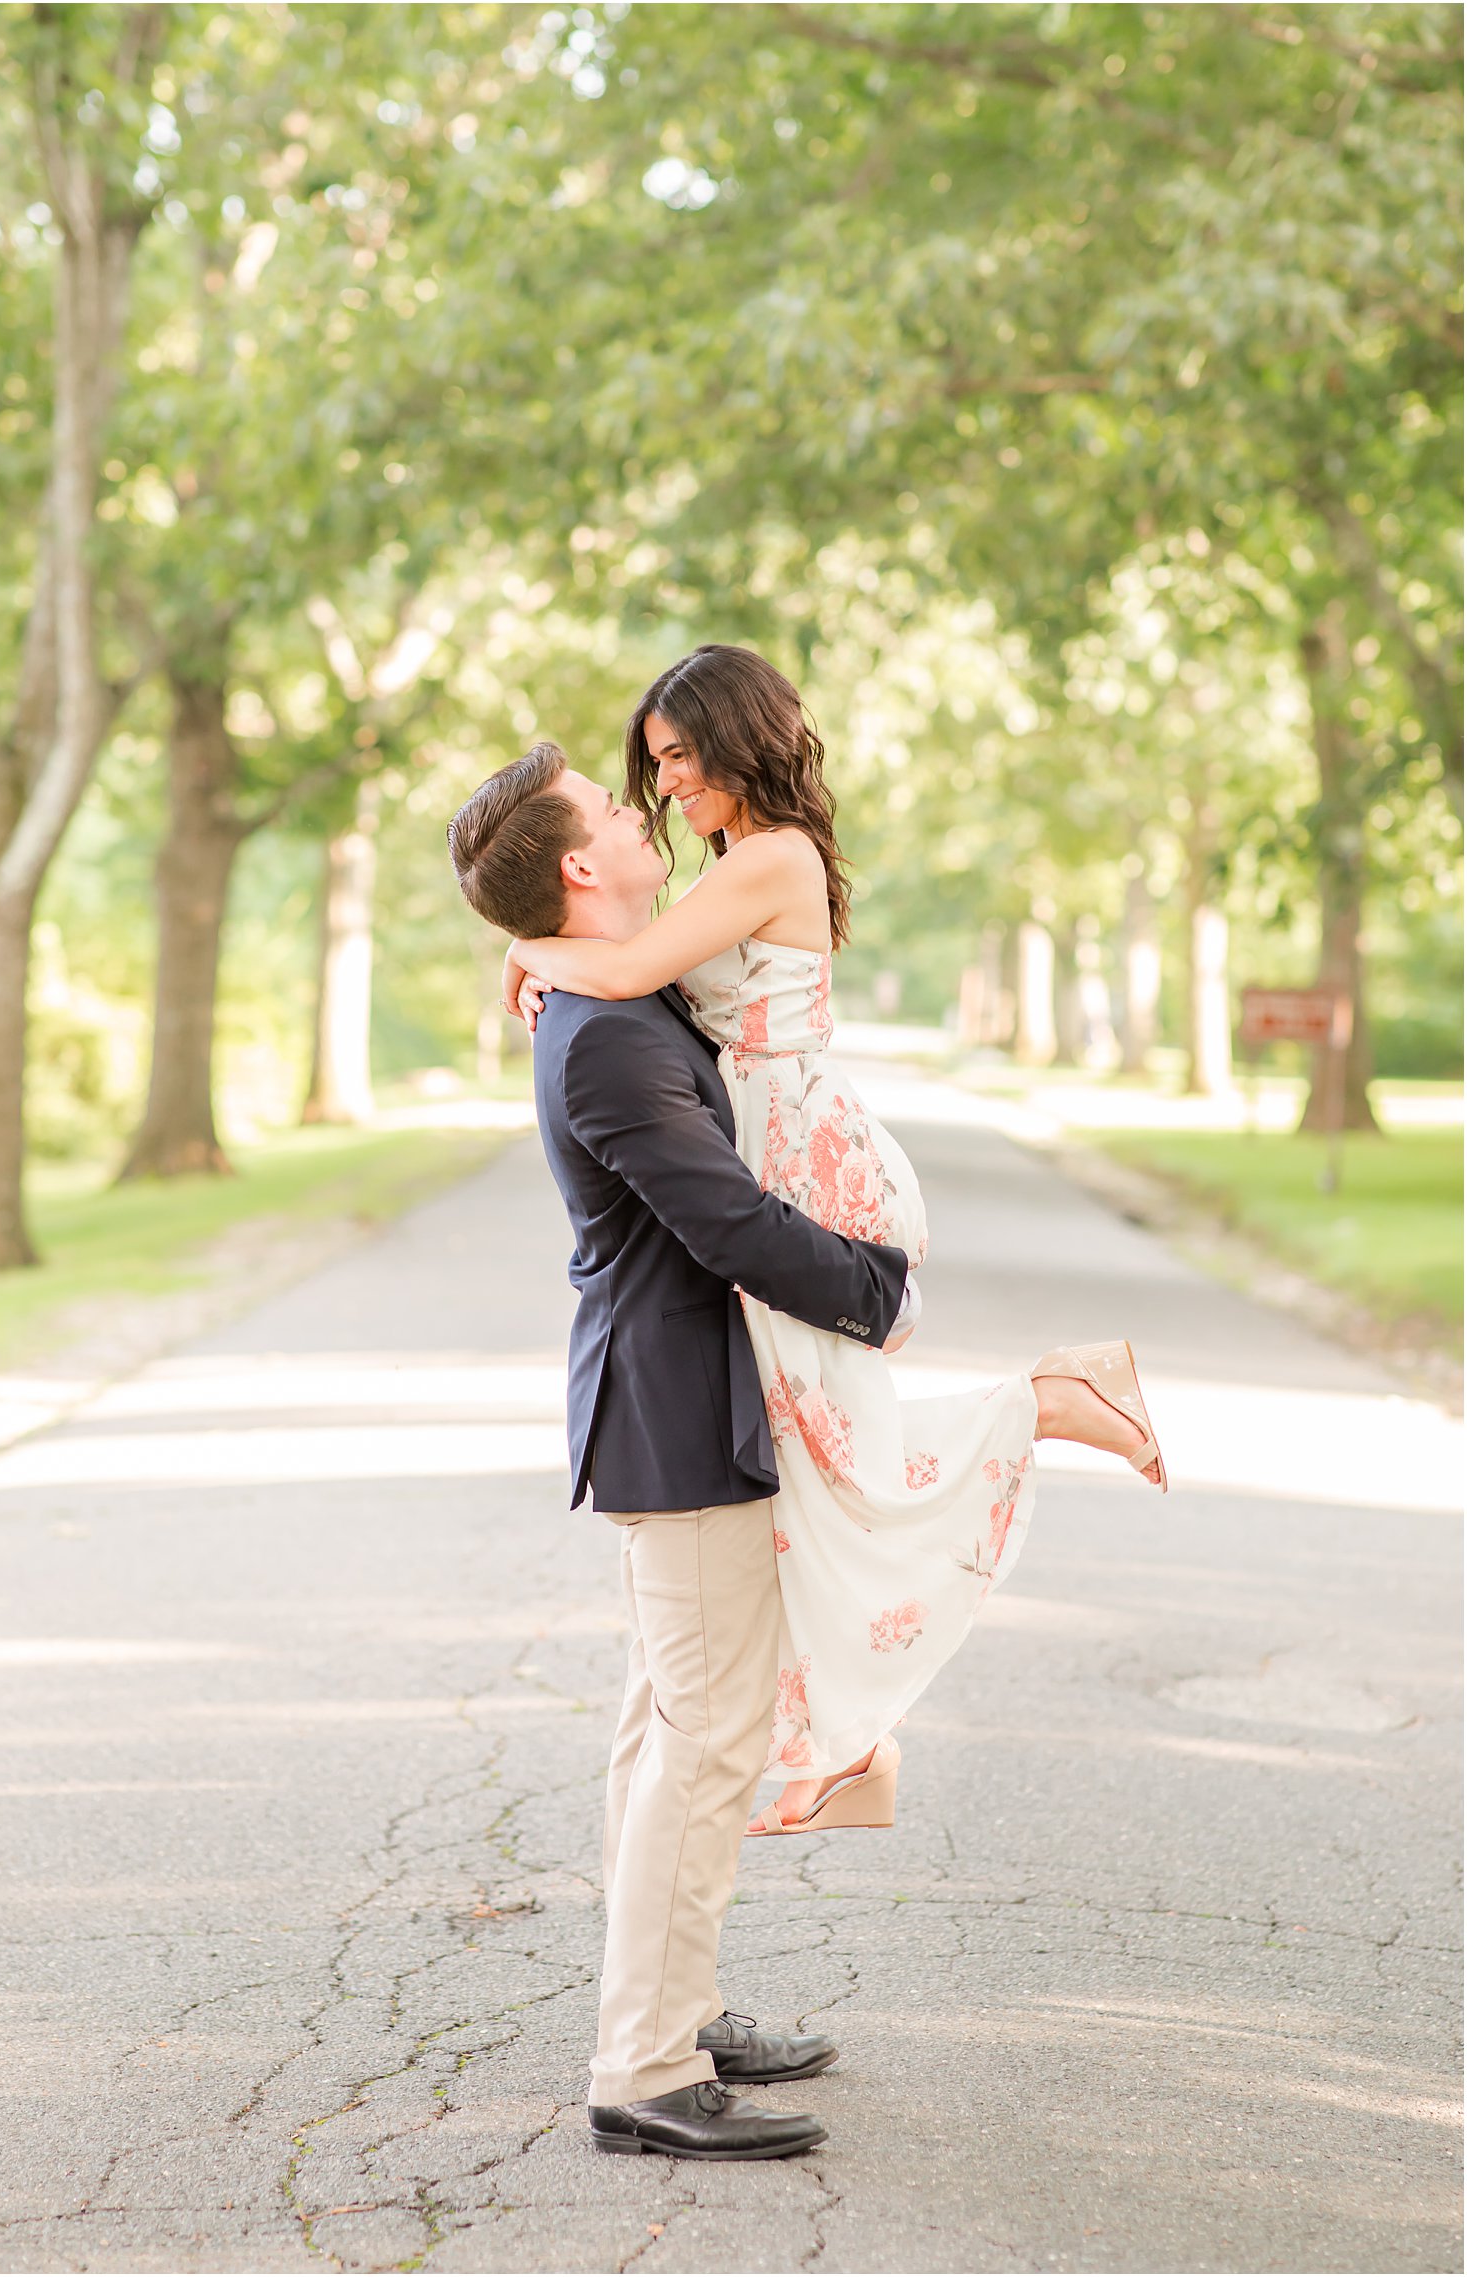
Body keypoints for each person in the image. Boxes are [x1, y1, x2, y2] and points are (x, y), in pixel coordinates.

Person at [499, 646, 1167, 1843]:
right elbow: (639, 972)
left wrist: (520, 946)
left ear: (737, 740)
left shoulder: (769, 857)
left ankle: (1055, 1398)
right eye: (652, 766)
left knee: (837, 1463)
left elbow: (638, 966)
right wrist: (548, 950)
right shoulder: (728, 855)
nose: (669, 784)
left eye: (682, 757)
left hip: (805, 1159)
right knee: (813, 1465)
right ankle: (847, 1745)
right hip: (765, 1143)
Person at [447, 744, 918, 2163]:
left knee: (670, 1727)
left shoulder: (622, 990)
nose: (635, 808)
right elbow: (728, 1224)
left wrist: (528, 949)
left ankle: (674, 2005)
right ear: (584, 865)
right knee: (704, 1743)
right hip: (677, 1413)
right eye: (607, 803)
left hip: (683, 1402)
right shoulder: (606, 1036)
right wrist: (879, 1286)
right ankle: (644, 2064)